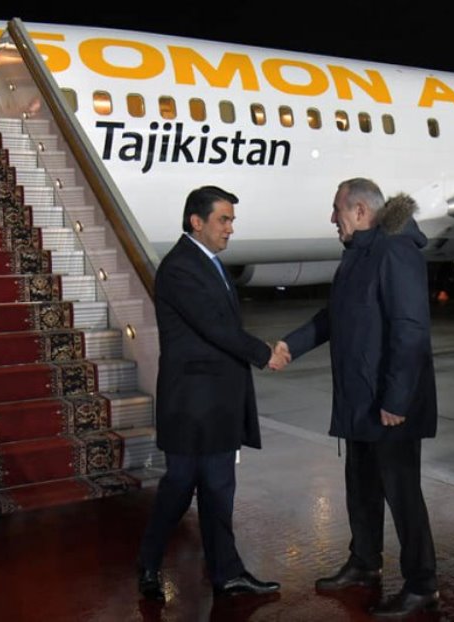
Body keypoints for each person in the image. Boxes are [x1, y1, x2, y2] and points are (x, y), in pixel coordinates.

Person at [276, 178, 439, 618]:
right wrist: (292, 345)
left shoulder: (395, 252)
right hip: (361, 400)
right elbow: (335, 316)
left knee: (402, 494)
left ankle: (422, 584)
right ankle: (364, 563)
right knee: (361, 487)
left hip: (390, 405)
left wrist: (397, 401)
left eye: (338, 209)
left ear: (361, 211)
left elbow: (410, 330)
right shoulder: (359, 255)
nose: (333, 218)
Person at [137, 185, 286, 602]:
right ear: (196, 221)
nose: (230, 229)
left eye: (231, 220)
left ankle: (226, 573)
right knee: (180, 487)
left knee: (217, 487)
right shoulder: (180, 267)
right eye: (224, 220)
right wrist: (264, 353)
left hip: (214, 402)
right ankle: (149, 563)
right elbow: (214, 327)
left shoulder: (209, 263)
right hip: (192, 403)